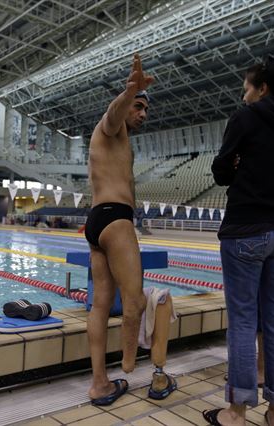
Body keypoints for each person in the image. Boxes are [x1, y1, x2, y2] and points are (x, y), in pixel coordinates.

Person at [204, 56, 274, 426]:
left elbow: (220, 171)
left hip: (246, 230)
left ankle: (236, 412)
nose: (244, 94)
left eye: (247, 87)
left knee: (243, 321)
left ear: (262, 87)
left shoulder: (246, 117)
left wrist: (236, 164)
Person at [85, 53, 176, 405]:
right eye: (138, 107)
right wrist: (128, 94)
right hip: (115, 219)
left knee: (100, 307)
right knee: (134, 300)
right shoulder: (112, 127)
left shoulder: (119, 142)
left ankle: (99, 384)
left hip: (97, 223)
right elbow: (112, 115)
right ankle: (128, 366)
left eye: (145, 109)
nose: (142, 114)